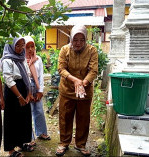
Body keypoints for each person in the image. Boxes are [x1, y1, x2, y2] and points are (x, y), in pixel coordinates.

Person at [55, 24, 98, 156]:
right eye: (75, 39)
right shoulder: (64, 50)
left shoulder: (92, 51)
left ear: (85, 39)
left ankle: (80, 144)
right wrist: (75, 81)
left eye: (81, 39)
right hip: (67, 90)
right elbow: (61, 69)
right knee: (65, 117)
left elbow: (93, 70)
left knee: (83, 118)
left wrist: (83, 82)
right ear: (71, 39)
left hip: (85, 91)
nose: (78, 43)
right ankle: (64, 143)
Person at [1, 36, 34, 157]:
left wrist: (29, 92)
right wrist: (19, 96)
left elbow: (27, 74)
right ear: (11, 46)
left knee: (24, 118)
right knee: (12, 119)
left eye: (22, 45)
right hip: (13, 92)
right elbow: (9, 80)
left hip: (24, 89)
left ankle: (22, 142)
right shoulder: (7, 60)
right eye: (17, 45)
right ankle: (11, 150)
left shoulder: (21, 58)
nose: (20, 48)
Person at [24, 36, 50, 145]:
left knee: (39, 110)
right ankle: (29, 137)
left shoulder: (38, 60)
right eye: (27, 47)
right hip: (26, 88)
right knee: (27, 112)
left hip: (37, 86)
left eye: (32, 46)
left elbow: (40, 76)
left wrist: (40, 90)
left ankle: (41, 132)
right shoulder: (21, 60)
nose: (30, 49)